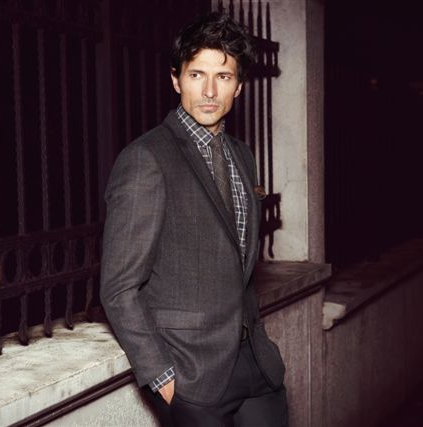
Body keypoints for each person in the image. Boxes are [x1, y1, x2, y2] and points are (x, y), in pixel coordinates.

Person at [100, 12, 288, 427]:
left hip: (257, 365)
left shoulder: (243, 156)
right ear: (176, 79)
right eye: (196, 74)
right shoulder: (146, 159)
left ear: (239, 85)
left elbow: (239, 264)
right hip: (194, 378)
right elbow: (119, 287)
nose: (209, 91)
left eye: (223, 77)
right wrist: (162, 377)